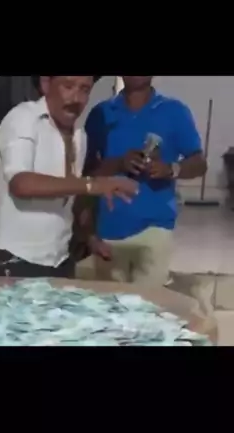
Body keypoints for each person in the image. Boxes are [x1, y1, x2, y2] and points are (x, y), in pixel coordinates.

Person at [0, 75, 139, 278]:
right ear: (46, 83)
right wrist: (93, 185)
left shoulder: (80, 135)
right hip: (15, 260)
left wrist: (90, 238)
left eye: (84, 89)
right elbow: (21, 184)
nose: (76, 98)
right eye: (68, 86)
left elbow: (69, 198)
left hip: (60, 260)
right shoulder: (24, 118)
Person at [84, 75, 207, 286]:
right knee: (110, 303)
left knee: (150, 302)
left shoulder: (174, 111)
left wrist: (171, 169)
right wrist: (119, 164)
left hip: (154, 230)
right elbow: (86, 172)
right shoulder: (101, 114)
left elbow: (199, 163)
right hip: (109, 230)